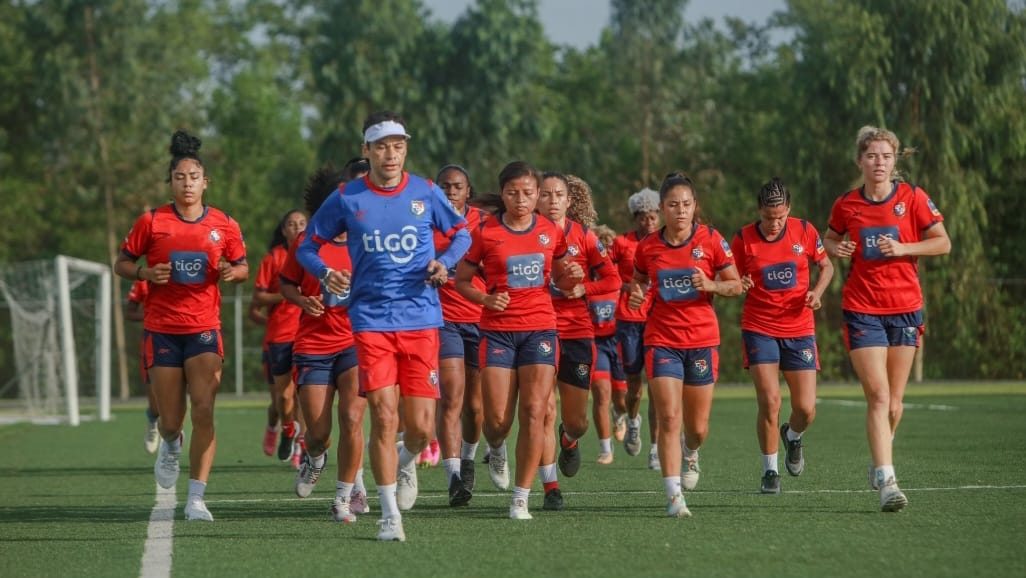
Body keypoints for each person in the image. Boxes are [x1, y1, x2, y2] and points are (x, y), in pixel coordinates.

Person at [297, 112, 470, 542]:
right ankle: (390, 514)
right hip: (371, 321)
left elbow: (462, 234)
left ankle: (404, 461)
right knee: (382, 415)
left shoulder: (425, 192)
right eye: (381, 146)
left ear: (405, 149)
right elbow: (307, 245)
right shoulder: (346, 197)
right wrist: (323, 272)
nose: (389, 154)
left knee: (422, 427)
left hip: (421, 319)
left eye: (397, 145)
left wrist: (443, 264)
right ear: (366, 151)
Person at [115, 130, 248, 522]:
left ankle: (196, 498)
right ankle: (172, 444)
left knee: (204, 409)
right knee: (171, 420)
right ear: (170, 182)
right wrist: (143, 271)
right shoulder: (152, 221)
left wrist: (231, 272)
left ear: (205, 182)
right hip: (162, 329)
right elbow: (120, 263)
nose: (187, 183)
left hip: (204, 329)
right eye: (180, 177)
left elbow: (243, 266)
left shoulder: (224, 224)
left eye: (194, 177)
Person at [823, 126, 950, 512]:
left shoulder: (912, 198)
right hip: (863, 308)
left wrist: (903, 247)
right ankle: (887, 479)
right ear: (860, 161)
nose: (879, 163)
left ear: (896, 161)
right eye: (872, 156)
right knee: (877, 395)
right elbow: (828, 239)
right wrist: (837, 246)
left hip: (905, 307)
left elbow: (942, 242)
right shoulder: (847, 204)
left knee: (895, 404)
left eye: (886, 156)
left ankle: (880, 457)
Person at [455, 161, 584, 521]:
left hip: (540, 329)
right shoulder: (485, 232)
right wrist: (485, 299)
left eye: (529, 192)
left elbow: (561, 275)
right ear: (504, 193)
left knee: (535, 411)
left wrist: (572, 275)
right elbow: (462, 280)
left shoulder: (549, 231)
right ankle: (496, 447)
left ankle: (521, 496)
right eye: (514, 192)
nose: (522, 199)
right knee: (497, 421)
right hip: (497, 331)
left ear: (538, 194)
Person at [628, 171, 741, 517]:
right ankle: (674, 495)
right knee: (668, 416)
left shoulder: (710, 240)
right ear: (662, 208)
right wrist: (636, 297)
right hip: (661, 339)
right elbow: (639, 281)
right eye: (673, 205)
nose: (680, 210)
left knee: (697, 427)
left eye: (686, 204)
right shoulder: (648, 246)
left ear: (695, 207)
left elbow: (735, 285)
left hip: (702, 340)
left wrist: (710, 285)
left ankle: (691, 451)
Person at [281, 160, 372, 523]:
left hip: (355, 342)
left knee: (352, 417)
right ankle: (315, 459)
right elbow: (286, 283)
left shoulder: (367, 239)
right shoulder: (307, 242)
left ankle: (344, 496)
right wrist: (302, 300)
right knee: (318, 433)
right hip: (314, 345)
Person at [731, 177, 834, 494]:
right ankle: (769, 472)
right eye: (767, 217)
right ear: (759, 211)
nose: (774, 224)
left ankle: (793, 436)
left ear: (788, 209)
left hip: (799, 328)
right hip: (759, 327)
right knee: (770, 401)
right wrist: (738, 284)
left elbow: (826, 266)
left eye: (780, 217)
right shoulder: (743, 239)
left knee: (805, 409)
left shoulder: (805, 230)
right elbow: (727, 277)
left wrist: (817, 292)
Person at [433, 164, 489, 506]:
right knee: (451, 398)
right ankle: (454, 475)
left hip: (483, 319)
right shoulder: (425, 222)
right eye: (444, 187)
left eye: (457, 187)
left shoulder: (484, 223)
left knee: (476, 406)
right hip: (444, 320)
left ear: (468, 191)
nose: (451, 192)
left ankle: (470, 458)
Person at [610, 188, 661, 468]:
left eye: (653, 216)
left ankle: (655, 448)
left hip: (657, 320)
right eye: (643, 217)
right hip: (628, 321)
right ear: (636, 218)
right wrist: (628, 286)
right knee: (634, 388)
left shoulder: (666, 243)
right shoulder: (621, 243)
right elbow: (605, 273)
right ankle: (632, 419)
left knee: (656, 386)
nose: (649, 222)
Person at [252, 209, 307, 467]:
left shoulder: (314, 255)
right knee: (282, 399)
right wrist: (287, 295)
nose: (297, 228)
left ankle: (303, 445)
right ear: (284, 230)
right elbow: (258, 300)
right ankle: (284, 429)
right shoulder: (273, 258)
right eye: (291, 224)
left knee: (306, 394)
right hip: (279, 335)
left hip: (309, 334)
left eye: (302, 224)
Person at [588, 224, 629, 464]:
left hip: (619, 340)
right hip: (596, 343)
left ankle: (621, 415)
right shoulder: (584, 279)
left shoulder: (617, 280)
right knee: (601, 393)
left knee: (622, 397)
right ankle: (606, 447)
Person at [126, 279, 160, 454]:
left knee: (179, 392)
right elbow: (130, 313)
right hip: (152, 342)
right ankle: (153, 421)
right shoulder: (143, 281)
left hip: (183, 339)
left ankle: (173, 438)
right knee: (154, 399)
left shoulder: (186, 271)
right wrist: (153, 315)